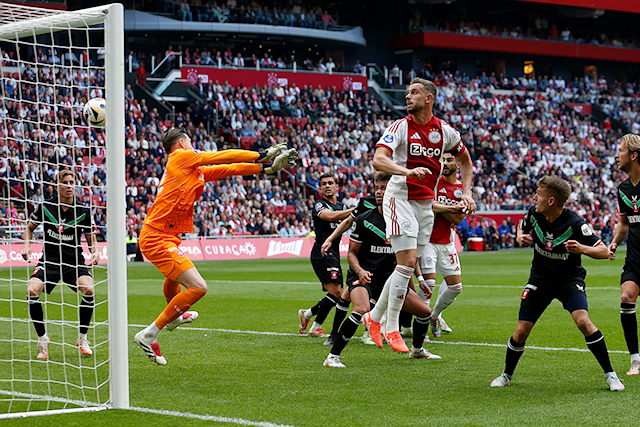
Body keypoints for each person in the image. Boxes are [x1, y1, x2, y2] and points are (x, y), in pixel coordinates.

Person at [134, 127, 296, 365]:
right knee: (198, 287)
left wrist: (266, 169)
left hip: (165, 235)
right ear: (182, 143)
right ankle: (149, 334)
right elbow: (223, 156)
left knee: (175, 276)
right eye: (191, 142)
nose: (193, 147)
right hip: (156, 236)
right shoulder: (180, 156)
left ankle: (173, 315)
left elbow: (230, 169)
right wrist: (260, 155)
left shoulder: (191, 170)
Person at [363, 77, 475, 353]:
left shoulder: (445, 132)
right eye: (407, 92)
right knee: (406, 263)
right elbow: (378, 159)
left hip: (425, 205)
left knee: (405, 264)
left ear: (429, 98)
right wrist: (407, 172)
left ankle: (373, 317)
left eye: (414, 92)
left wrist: (467, 192)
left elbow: (465, 160)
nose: (407, 96)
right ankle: (391, 327)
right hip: (399, 197)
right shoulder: (400, 127)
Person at [490, 176, 624, 391]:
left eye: (539, 193)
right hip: (540, 280)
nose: (534, 197)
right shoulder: (534, 214)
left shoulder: (575, 223)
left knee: (583, 322)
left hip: (568, 281)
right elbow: (521, 227)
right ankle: (506, 375)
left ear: (551, 200)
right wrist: (520, 237)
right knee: (521, 330)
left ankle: (611, 375)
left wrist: (582, 248)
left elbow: (604, 251)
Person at [323, 172, 441, 368]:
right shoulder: (364, 220)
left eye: (384, 188)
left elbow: (409, 258)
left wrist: (420, 279)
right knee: (361, 309)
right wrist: (360, 271)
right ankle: (332, 357)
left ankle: (417, 350)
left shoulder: (405, 222)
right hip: (365, 278)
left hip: (391, 280)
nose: (379, 192)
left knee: (425, 312)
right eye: (377, 188)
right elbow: (351, 253)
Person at [21, 170, 99, 359]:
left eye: (72, 182)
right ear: (58, 186)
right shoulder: (45, 207)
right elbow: (29, 228)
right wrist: (26, 246)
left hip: (74, 262)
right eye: (65, 182)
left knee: (89, 290)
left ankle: (82, 338)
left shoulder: (83, 211)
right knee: (31, 291)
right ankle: (42, 340)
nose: (69, 186)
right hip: (49, 261)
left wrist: (95, 252)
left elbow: (92, 239)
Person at [297, 173, 354, 338]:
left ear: (337, 186)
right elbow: (330, 216)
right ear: (320, 188)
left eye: (330, 183)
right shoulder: (319, 205)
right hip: (322, 252)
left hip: (334, 253)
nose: (327, 186)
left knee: (337, 293)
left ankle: (308, 316)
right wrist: (355, 210)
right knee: (338, 293)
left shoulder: (342, 206)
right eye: (324, 184)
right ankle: (314, 325)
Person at [319, 186, 377, 346]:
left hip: (384, 256)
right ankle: (334, 334)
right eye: (378, 186)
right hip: (363, 256)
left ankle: (373, 332)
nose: (380, 191)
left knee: (380, 295)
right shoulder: (367, 202)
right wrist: (330, 239)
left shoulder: (397, 202)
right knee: (346, 294)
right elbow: (348, 221)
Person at [418, 152, 466, 338]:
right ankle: (420, 327)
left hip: (448, 241)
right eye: (442, 160)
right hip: (427, 240)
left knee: (456, 287)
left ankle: (435, 315)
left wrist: (440, 207)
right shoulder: (433, 182)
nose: (444, 163)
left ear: (458, 164)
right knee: (429, 284)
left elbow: (459, 219)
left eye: (449, 160)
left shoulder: (462, 189)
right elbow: (429, 204)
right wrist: (451, 208)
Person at [608, 133, 640, 376]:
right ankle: (635, 360)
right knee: (627, 297)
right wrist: (614, 242)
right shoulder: (623, 189)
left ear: (634, 155)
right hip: (634, 258)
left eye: (620, 150)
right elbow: (624, 223)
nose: (617, 155)